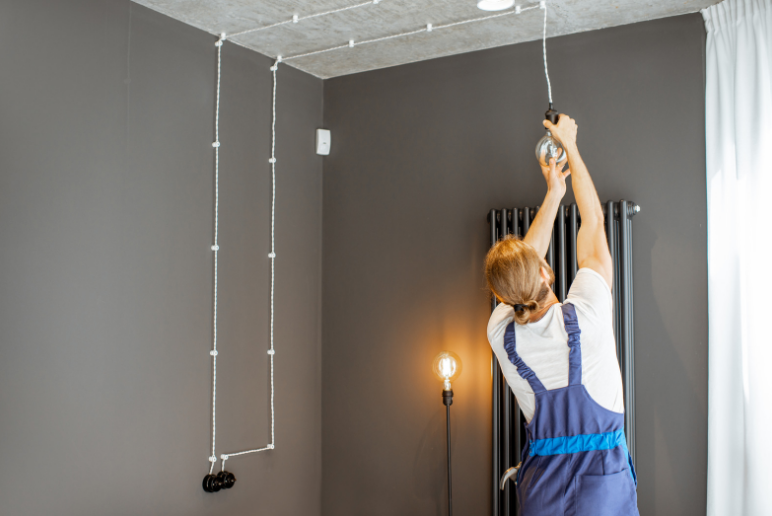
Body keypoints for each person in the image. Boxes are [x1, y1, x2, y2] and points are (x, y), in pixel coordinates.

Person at [485, 114, 639, 516]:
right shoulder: (587, 312)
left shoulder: (500, 332)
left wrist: (555, 194)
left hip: (542, 489)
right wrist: (570, 144)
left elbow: (523, 270)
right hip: (602, 487)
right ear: (545, 272)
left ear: (502, 297)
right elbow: (594, 223)